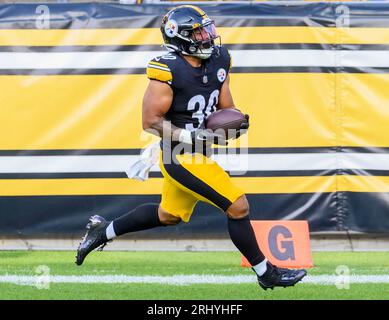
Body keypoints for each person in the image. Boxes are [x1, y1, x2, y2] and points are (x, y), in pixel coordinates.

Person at [75, 5, 307, 290]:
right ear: (180, 37)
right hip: (179, 155)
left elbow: (226, 107)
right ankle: (265, 271)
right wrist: (189, 137)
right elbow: (150, 121)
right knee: (237, 206)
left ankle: (103, 231)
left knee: (168, 215)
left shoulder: (220, 59)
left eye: (207, 30)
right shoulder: (167, 69)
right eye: (199, 32)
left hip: (201, 151)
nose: (207, 37)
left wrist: (232, 125)